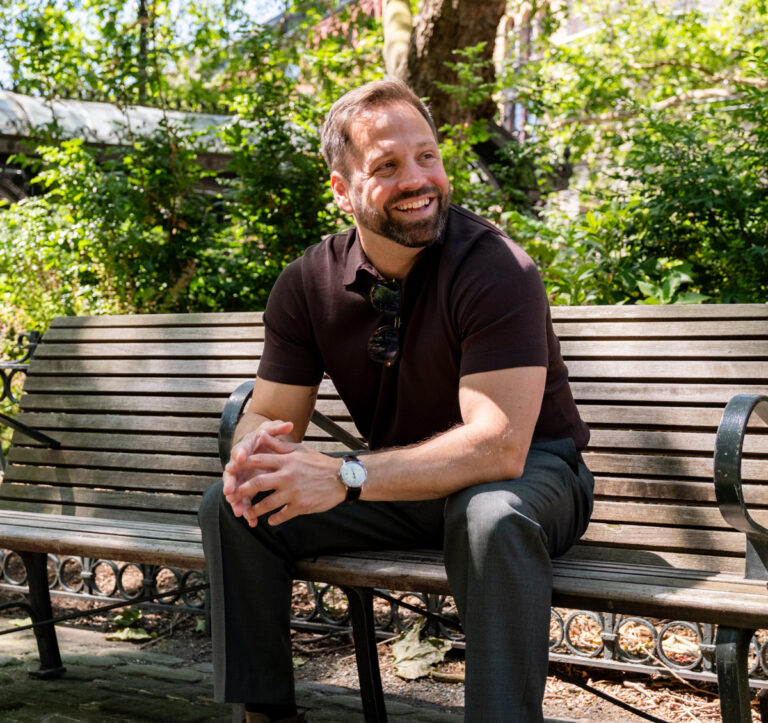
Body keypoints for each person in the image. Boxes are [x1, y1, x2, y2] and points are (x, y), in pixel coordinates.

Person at [198, 78, 594, 723]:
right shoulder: (308, 284)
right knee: (236, 506)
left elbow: (497, 444)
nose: (418, 179)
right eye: (386, 166)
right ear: (341, 189)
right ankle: (265, 713)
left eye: (427, 157)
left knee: (490, 516)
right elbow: (273, 414)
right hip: (407, 487)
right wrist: (254, 452)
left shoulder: (496, 269)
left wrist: (344, 475)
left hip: (533, 479)